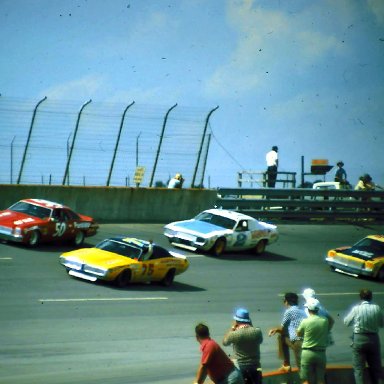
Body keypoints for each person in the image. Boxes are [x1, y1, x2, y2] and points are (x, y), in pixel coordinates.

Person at [344, 289, 384, 384]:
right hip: (374, 339)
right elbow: (382, 324)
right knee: (376, 368)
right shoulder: (377, 308)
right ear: (371, 297)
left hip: (359, 338)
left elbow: (346, 322)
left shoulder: (356, 309)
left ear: (360, 297)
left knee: (358, 369)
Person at [223, 308, 263, 384]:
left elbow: (225, 342)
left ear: (237, 321)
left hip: (241, 366)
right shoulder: (257, 331)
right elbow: (260, 341)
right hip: (255, 365)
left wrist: (232, 329)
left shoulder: (235, 334)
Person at [268, 292, 306, 371]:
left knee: (301, 368)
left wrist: (275, 330)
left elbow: (282, 329)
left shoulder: (289, 312)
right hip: (307, 340)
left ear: (287, 301)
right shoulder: (302, 311)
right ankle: (286, 364)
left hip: (298, 342)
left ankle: (286, 364)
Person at [297, 298, 330, 384]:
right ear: (318, 309)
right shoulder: (324, 320)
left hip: (307, 353)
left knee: (305, 380)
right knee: (320, 380)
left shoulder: (305, 321)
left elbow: (298, 333)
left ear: (308, 309)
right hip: (321, 353)